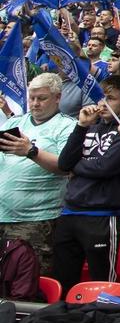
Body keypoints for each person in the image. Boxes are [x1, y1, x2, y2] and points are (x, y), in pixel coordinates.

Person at [52, 49, 120, 295]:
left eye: (110, 98)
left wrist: (77, 165)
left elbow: (105, 168)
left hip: (102, 217)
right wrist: (81, 126)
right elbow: (63, 163)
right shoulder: (88, 127)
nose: (102, 103)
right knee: (63, 282)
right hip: (70, 212)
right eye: (100, 97)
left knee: (103, 285)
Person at [0, 73, 77, 274]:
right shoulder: (13, 124)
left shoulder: (67, 126)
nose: (35, 103)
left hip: (36, 220)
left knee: (30, 280)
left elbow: (65, 166)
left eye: (41, 98)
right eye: (31, 98)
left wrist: (30, 152)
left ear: (57, 97)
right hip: (2, 214)